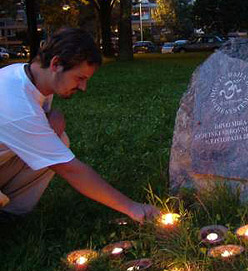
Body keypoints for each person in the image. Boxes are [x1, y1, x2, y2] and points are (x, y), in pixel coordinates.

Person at [0, 28, 159, 225]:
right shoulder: (17, 103)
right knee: (56, 149)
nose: (83, 87)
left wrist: (55, 116)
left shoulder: (27, 77)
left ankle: (10, 214)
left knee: (58, 140)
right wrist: (133, 208)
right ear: (56, 64)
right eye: (80, 78)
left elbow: (46, 119)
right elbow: (70, 169)